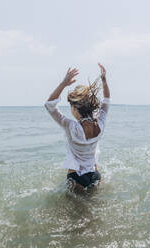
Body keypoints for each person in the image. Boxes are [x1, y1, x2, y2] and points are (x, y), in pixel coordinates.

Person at [44, 63, 110, 191]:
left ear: (75, 108)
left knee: (72, 210)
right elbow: (106, 99)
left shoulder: (71, 126)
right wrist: (104, 80)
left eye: (71, 107)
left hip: (76, 176)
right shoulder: (100, 124)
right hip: (95, 175)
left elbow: (49, 105)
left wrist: (64, 83)